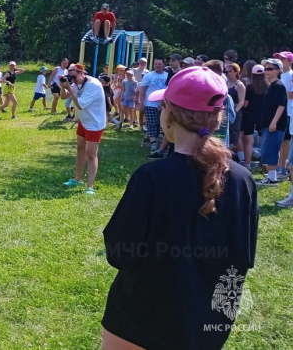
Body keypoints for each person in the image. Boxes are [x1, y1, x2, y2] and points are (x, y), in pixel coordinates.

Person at [101, 66, 259, 350]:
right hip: (208, 325)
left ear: (169, 113)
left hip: (139, 320)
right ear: (218, 117)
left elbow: (119, 253)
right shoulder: (242, 179)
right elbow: (243, 257)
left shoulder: (151, 177)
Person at [60, 64, 106, 195]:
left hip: (95, 123)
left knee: (91, 154)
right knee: (80, 148)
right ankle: (77, 179)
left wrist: (69, 86)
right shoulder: (77, 82)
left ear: (81, 73)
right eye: (70, 77)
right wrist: (64, 87)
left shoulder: (93, 85)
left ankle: (90, 186)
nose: (72, 80)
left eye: (73, 77)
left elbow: (79, 105)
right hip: (84, 121)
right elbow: (64, 97)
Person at [256, 58, 288, 186]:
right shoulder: (272, 86)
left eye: (270, 69)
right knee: (267, 150)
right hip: (267, 124)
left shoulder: (279, 86)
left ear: (278, 70)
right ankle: (270, 176)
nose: (266, 71)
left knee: (271, 150)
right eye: (265, 69)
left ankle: (272, 178)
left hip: (275, 125)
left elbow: (281, 106)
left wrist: (274, 122)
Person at [240, 64, 267, 169]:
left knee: (248, 142)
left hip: (249, 117)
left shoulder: (250, 87)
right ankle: (264, 163)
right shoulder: (268, 86)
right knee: (264, 141)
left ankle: (247, 164)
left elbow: (245, 104)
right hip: (264, 117)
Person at [137, 58, 167, 153]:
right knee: (151, 123)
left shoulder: (167, 76)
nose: (157, 65)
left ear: (163, 65)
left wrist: (164, 102)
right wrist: (141, 102)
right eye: (155, 63)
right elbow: (142, 90)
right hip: (150, 103)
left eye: (159, 63)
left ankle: (156, 141)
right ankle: (153, 143)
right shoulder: (149, 76)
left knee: (161, 124)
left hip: (163, 104)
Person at [275, 51, 293, 178]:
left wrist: (279, 95)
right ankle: (279, 166)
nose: (280, 60)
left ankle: (283, 168)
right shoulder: (280, 75)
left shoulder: (291, 75)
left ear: (290, 61)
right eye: (279, 58)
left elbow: (291, 94)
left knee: (285, 140)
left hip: (289, 111)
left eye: (283, 59)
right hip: (280, 111)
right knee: (280, 140)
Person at [225, 62, 246, 157]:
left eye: (230, 71)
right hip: (224, 113)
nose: (227, 73)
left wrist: (235, 112)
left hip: (235, 113)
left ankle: (241, 159)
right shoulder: (225, 83)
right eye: (226, 71)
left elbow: (241, 101)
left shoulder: (239, 85)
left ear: (236, 72)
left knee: (235, 137)